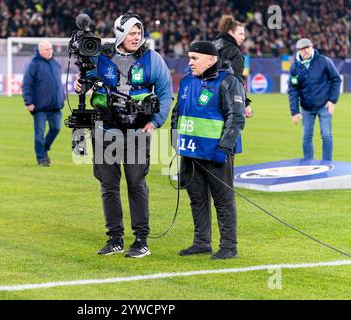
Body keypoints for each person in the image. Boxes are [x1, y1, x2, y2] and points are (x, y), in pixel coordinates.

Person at [74, 13, 173, 258]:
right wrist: (80, 84)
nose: (136, 36)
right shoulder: (102, 56)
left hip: (137, 133)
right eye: (131, 32)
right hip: (105, 131)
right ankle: (115, 238)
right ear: (120, 33)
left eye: (139, 32)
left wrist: (155, 122)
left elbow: (166, 93)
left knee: (136, 185)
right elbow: (86, 80)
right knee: (108, 186)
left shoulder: (153, 58)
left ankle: (141, 240)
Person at [171, 41, 245, 259]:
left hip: (216, 154)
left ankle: (229, 246)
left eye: (195, 58)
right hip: (190, 152)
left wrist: (223, 148)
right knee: (197, 199)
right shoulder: (186, 82)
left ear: (211, 60)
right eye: (189, 57)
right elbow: (177, 113)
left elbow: (237, 117)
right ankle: (202, 242)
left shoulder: (228, 82)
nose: (190, 62)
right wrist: (176, 141)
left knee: (223, 201)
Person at [288, 38, 342, 161]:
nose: (305, 51)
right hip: (306, 108)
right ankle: (308, 164)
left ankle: (327, 164)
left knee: (326, 135)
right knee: (306, 136)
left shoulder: (323, 61)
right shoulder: (294, 67)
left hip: (324, 105)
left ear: (312, 47)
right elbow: (293, 89)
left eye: (307, 47)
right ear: (298, 51)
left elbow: (336, 79)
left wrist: (333, 100)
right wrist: (294, 111)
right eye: (302, 49)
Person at [22, 40, 65, 166]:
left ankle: (44, 149)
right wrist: (28, 102)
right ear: (40, 50)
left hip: (55, 106)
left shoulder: (55, 64)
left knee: (56, 128)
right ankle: (41, 158)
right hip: (39, 107)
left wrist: (62, 98)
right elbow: (27, 85)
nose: (50, 51)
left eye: (51, 48)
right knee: (39, 133)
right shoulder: (33, 64)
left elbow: (58, 84)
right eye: (47, 49)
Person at [212, 15, 253, 118]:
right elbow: (236, 80)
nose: (243, 37)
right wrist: (246, 104)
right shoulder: (234, 52)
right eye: (241, 34)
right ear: (230, 32)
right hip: (224, 101)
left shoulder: (211, 46)